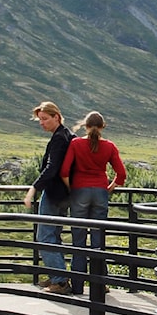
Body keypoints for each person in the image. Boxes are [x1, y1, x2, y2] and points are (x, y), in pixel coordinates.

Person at [59, 111, 125, 296]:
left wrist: (72, 189)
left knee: (78, 242)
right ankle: (99, 286)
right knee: (98, 242)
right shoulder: (109, 146)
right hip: (100, 193)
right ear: (103, 126)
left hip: (79, 192)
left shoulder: (76, 144)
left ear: (85, 126)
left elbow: (64, 171)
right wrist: (108, 188)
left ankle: (78, 287)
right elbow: (121, 175)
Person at [23, 101, 75, 294]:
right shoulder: (68, 136)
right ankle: (57, 275)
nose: (41, 123)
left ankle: (60, 281)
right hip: (65, 194)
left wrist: (34, 188)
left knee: (45, 235)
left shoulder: (59, 139)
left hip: (54, 193)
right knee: (54, 235)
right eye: (40, 120)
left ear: (56, 117)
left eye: (45, 119)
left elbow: (52, 167)